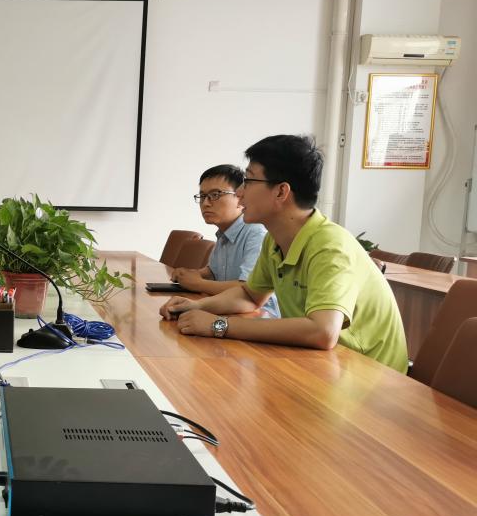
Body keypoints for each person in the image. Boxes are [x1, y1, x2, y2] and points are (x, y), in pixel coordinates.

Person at [160, 135, 407, 372]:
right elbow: (249, 295)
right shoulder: (274, 240)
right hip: (322, 363)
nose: (240, 193)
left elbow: (323, 332)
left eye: (249, 181)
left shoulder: (330, 245)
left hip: (369, 377)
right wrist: (197, 306)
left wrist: (219, 325)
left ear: (281, 192)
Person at [171, 164, 280, 318]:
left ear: (240, 197)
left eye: (215, 195)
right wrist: (193, 274)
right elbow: (214, 272)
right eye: (202, 196)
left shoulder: (256, 233)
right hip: (229, 311)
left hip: (259, 316)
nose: (206, 203)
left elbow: (247, 290)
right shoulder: (224, 233)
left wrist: (198, 283)